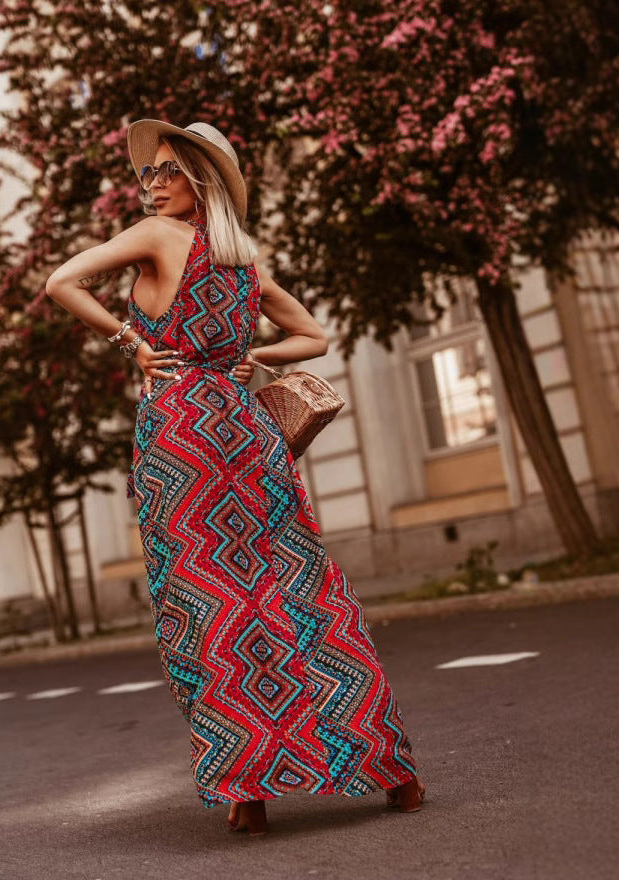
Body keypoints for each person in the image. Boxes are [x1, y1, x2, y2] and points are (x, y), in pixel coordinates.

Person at [46, 120, 424, 836]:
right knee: (301, 586)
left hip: (182, 435)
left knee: (211, 606)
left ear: (201, 181)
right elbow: (315, 335)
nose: (152, 185)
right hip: (249, 438)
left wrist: (130, 342)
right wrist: (256, 357)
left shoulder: (156, 239)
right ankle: (392, 771)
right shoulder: (243, 262)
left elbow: (61, 281)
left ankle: (248, 790)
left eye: (167, 172)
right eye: (147, 175)